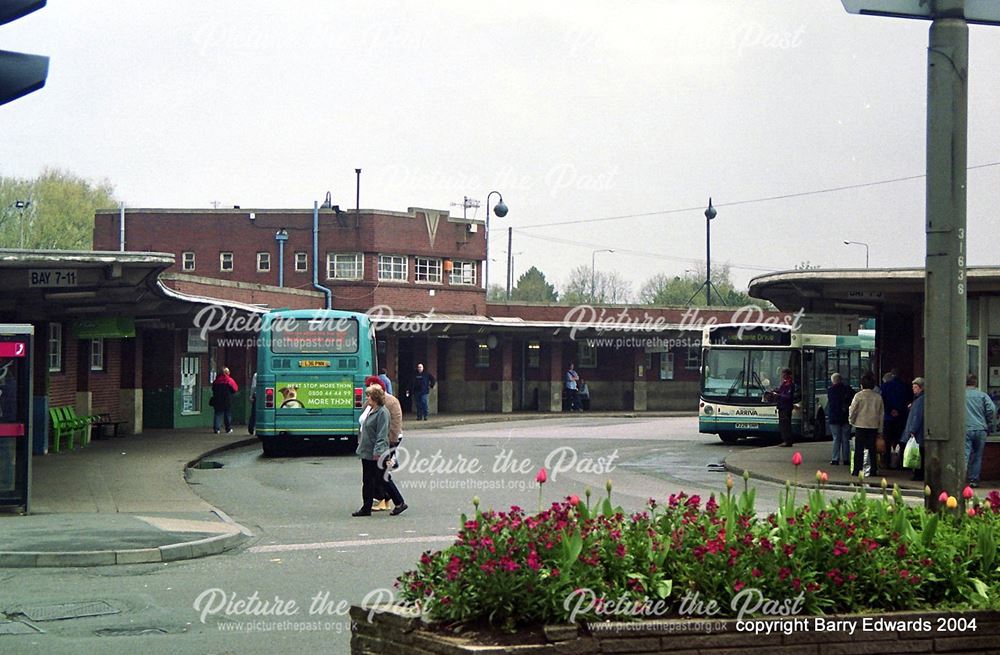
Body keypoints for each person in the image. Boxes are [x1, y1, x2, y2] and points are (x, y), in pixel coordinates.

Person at [353, 384, 407, 516]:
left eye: (369, 395)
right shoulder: (370, 409)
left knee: (382, 478)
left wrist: (378, 453)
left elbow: (382, 435)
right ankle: (366, 507)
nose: (367, 398)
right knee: (367, 480)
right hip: (367, 450)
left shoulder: (382, 412)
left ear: (375, 397)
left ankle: (399, 502)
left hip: (377, 452)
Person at [365, 375, 404, 512]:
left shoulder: (389, 404)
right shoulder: (369, 405)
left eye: (369, 390)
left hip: (382, 445)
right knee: (372, 477)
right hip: (368, 446)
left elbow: (394, 426)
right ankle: (373, 503)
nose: (367, 395)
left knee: (380, 475)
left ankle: (395, 501)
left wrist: (389, 448)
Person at [849, 372, 884, 478]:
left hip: (860, 425)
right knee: (872, 449)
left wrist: (851, 421)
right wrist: (880, 429)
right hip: (873, 426)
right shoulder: (878, 397)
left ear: (862, 384)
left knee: (859, 449)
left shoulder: (858, 396)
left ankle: (857, 470)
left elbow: (853, 410)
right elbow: (881, 414)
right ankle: (873, 470)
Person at [964, 374, 996, 488]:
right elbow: (991, 409)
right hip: (980, 428)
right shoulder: (982, 395)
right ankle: (974, 480)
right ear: (975, 383)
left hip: (965, 428)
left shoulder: (961, 395)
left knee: (965, 454)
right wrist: (989, 423)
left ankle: (961, 478)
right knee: (977, 455)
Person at [879, 369, 911, 467]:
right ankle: (900, 462)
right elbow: (908, 401)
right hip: (901, 418)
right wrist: (899, 411)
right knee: (901, 441)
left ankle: (887, 461)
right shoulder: (905, 386)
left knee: (887, 441)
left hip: (888, 418)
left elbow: (882, 401)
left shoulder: (884, 387)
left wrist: (890, 410)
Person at [826, 372, 853, 465]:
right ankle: (846, 459)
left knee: (836, 438)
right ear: (841, 380)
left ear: (833, 381)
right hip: (845, 417)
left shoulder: (831, 390)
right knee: (845, 438)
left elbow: (832, 404)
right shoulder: (848, 389)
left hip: (834, 418)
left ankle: (835, 459)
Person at [903, 377, 926, 481]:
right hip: (919, 431)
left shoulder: (920, 400)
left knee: (918, 453)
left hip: (918, 432)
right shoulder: (918, 399)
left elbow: (918, 416)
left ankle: (918, 474)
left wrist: (912, 430)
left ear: (921, 388)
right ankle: (918, 473)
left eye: (915, 387)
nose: (913, 389)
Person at [210, 367, 239, 434]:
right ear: (226, 373)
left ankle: (216, 429)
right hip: (227, 400)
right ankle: (228, 429)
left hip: (217, 400)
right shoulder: (229, 380)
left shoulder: (216, 381)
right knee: (227, 414)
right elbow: (235, 389)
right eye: (228, 372)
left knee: (218, 414)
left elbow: (213, 389)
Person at [775, 368, 795, 447]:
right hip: (781, 406)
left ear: (788, 375)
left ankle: (787, 440)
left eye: (784, 374)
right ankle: (785, 439)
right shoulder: (784, 383)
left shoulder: (790, 384)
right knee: (782, 424)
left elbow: (788, 396)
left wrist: (779, 395)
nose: (783, 376)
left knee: (785, 424)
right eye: (782, 374)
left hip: (786, 406)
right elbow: (780, 391)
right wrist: (775, 391)